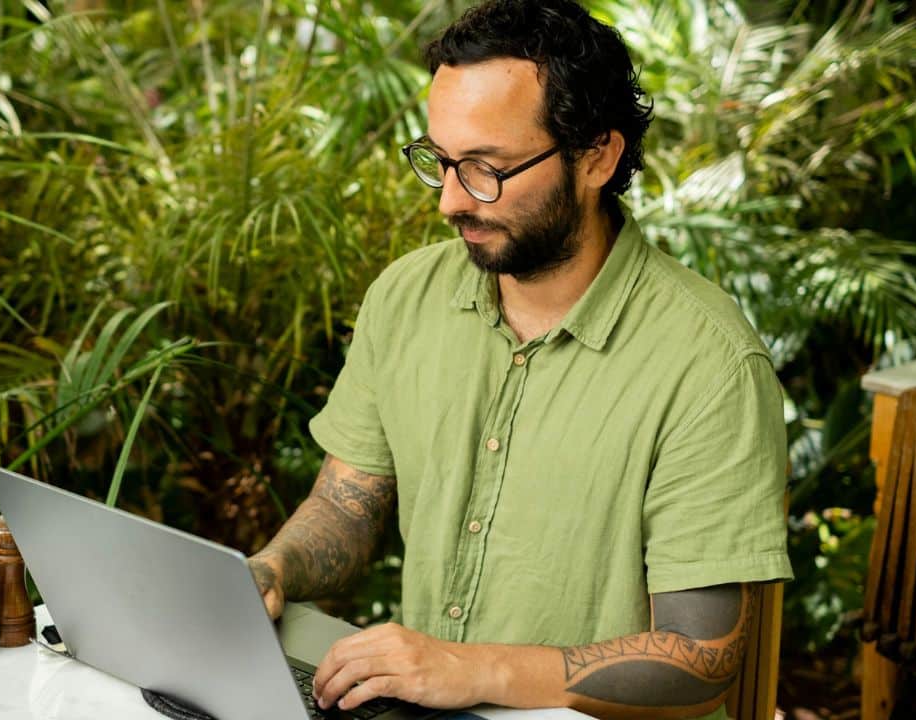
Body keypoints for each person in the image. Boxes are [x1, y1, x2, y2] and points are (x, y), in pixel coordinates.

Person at [246, 1, 792, 718]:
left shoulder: (710, 364)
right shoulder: (406, 297)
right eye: (441, 162)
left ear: (597, 156)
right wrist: (274, 568)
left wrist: (473, 670)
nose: (449, 201)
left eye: (486, 168)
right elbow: (346, 506)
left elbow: (699, 657)